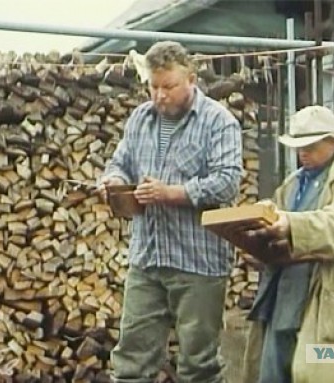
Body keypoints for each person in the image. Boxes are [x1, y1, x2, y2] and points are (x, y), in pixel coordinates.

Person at [99, 41, 243, 383]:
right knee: (131, 362)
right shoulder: (140, 119)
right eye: (153, 86)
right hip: (147, 258)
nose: (160, 95)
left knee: (199, 365)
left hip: (197, 260)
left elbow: (227, 182)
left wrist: (171, 193)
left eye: (169, 87)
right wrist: (113, 182)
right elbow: (119, 163)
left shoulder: (218, 122)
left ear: (191, 79)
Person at [242, 105, 334, 383]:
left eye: (310, 146)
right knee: (273, 370)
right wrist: (260, 236)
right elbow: (278, 223)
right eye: (298, 147)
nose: (302, 153)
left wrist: (290, 224)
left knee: (320, 373)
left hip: (323, 292)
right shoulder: (293, 183)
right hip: (283, 291)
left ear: (333, 142)